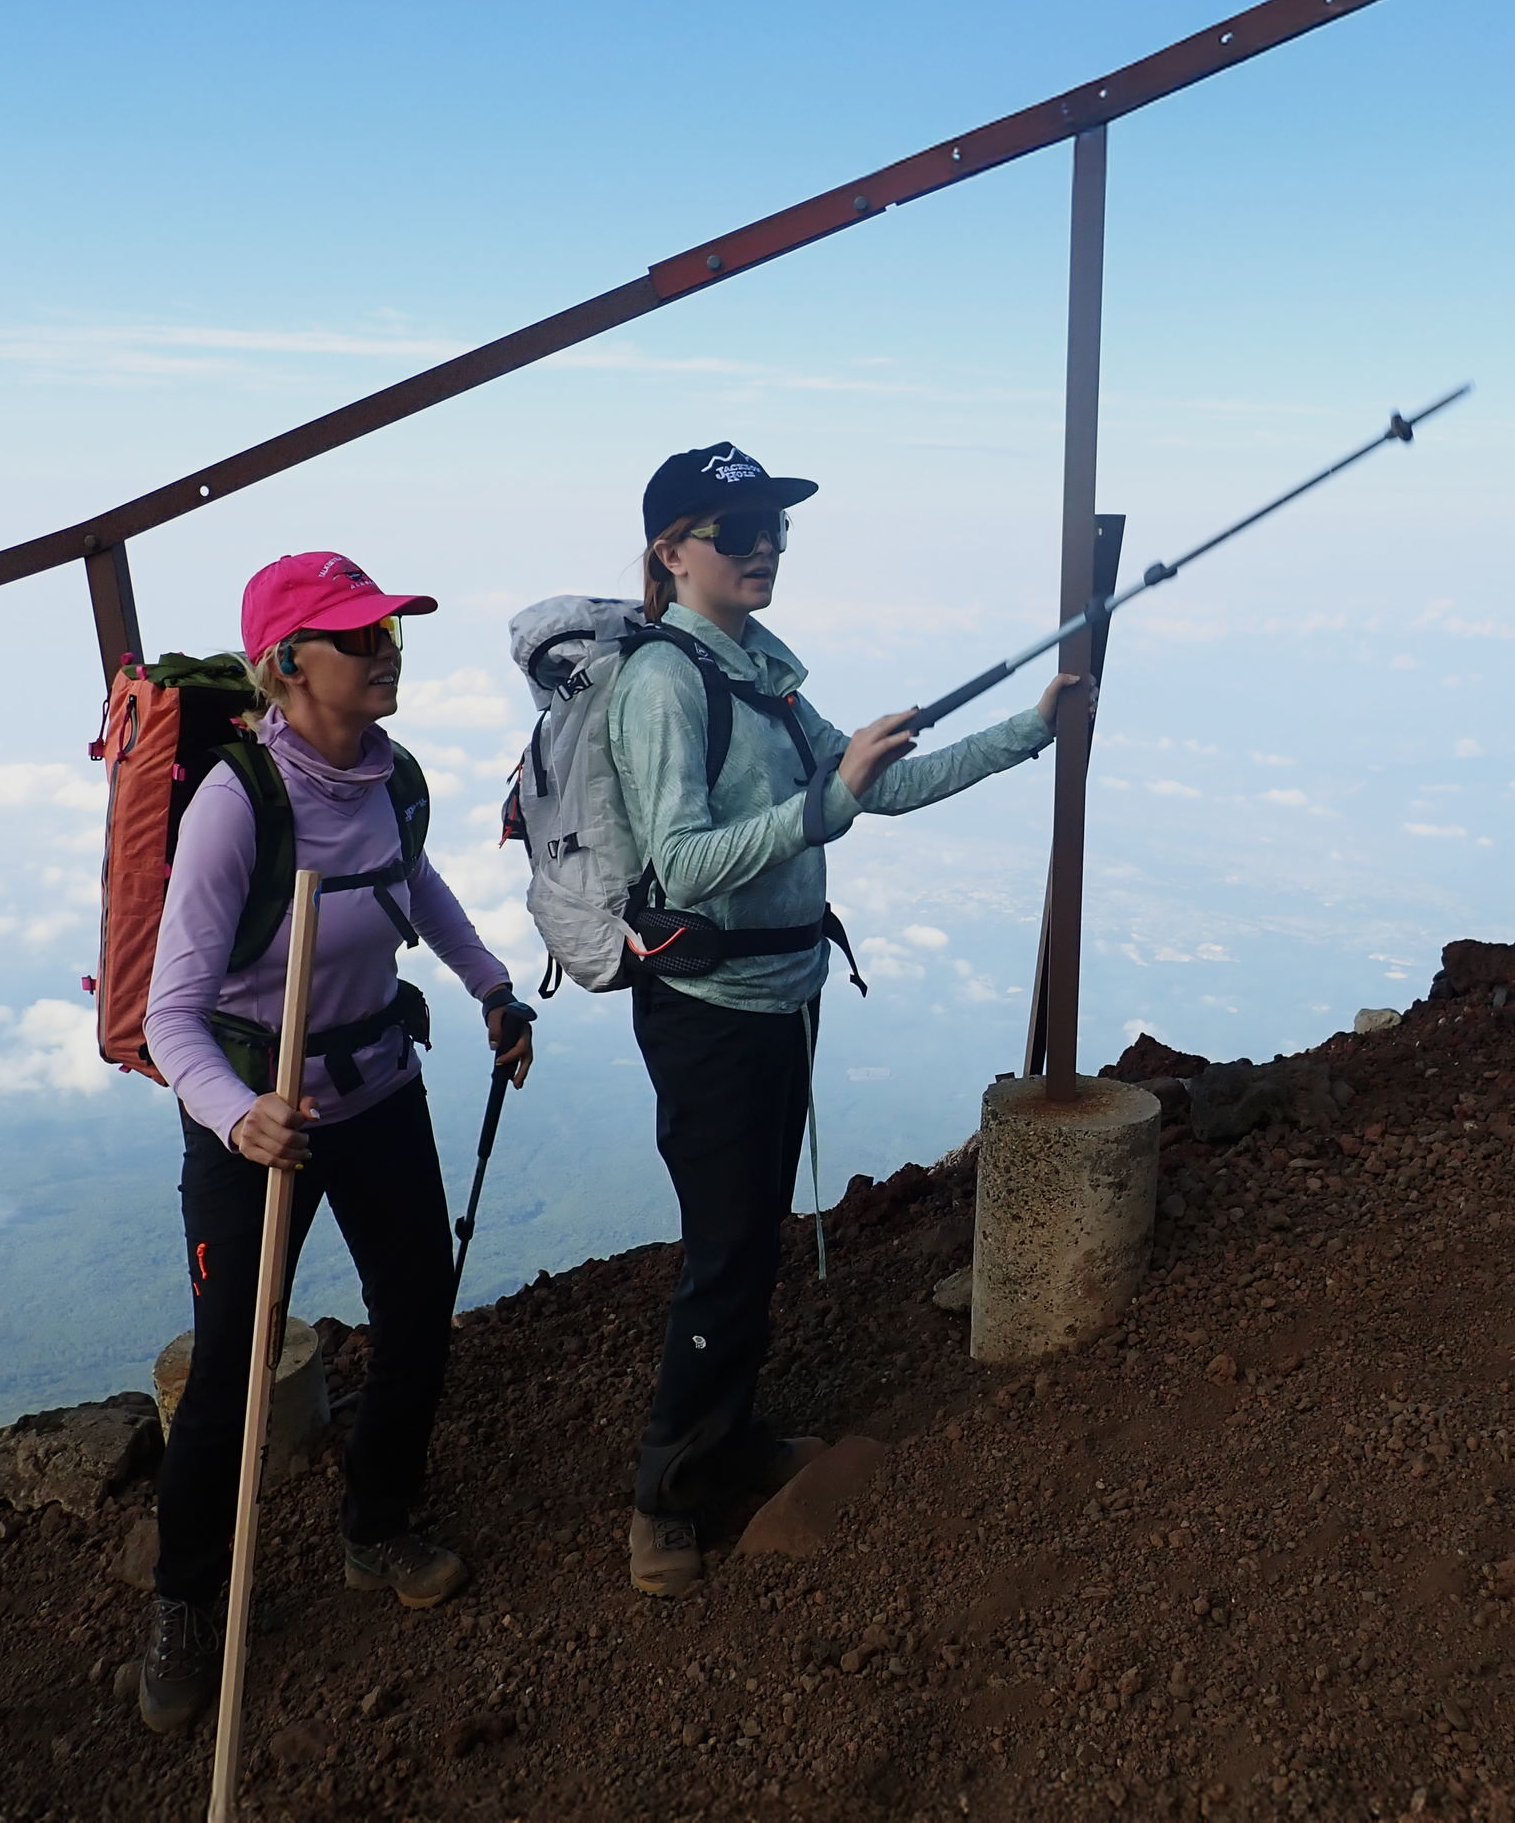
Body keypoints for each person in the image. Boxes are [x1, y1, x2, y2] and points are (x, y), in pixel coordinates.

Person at [609, 443, 1080, 1597]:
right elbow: (684, 862)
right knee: (725, 1250)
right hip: (712, 1012)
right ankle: (661, 1503)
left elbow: (885, 785)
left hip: (776, 996)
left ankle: (731, 1442)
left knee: (754, 1237)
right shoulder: (667, 682)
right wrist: (826, 801)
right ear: (673, 552)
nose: (764, 544)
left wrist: (1031, 728)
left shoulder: (760, 669)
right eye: (736, 529)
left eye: (775, 526)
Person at [133, 551, 533, 1734]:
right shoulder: (234, 805)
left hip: (376, 1092)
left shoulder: (388, 777)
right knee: (228, 1371)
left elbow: (418, 882)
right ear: (288, 662)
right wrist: (238, 1116)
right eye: (357, 638)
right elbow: (171, 1012)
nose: (384, 653)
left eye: (387, 633)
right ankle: (185, 1600)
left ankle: (377, 1524)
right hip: (257, 1123)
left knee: (417, 1316)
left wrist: (491, 985)